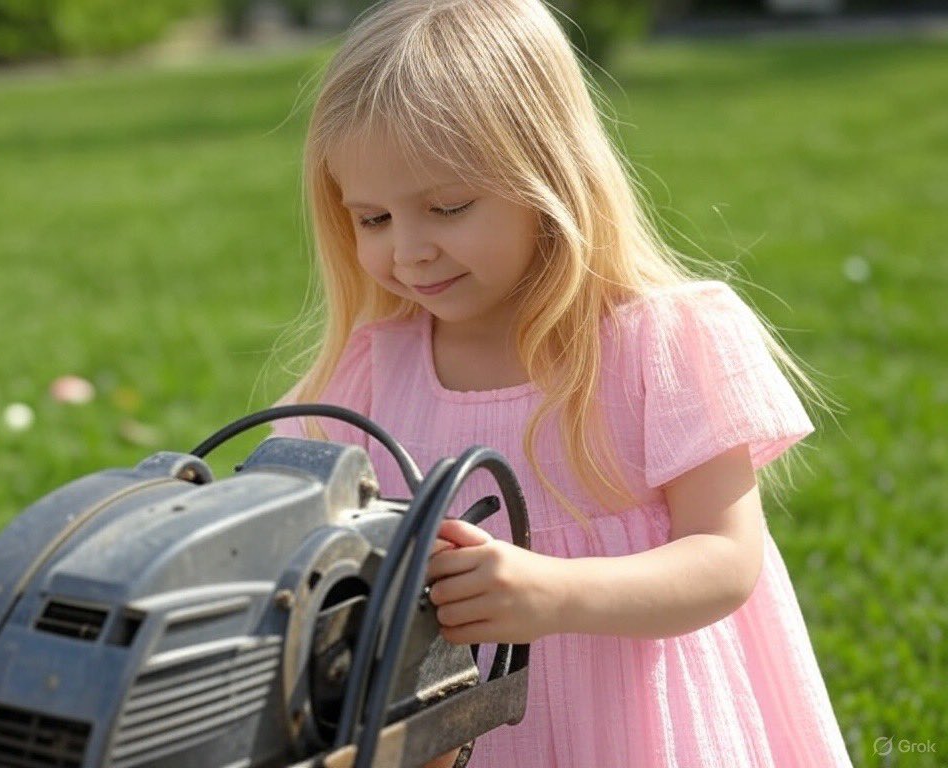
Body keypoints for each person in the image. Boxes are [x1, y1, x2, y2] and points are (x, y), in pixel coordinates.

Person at [266, 0, 853, 765]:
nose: (407, 251)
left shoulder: (659, 343)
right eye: (372, 219)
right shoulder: (372, 375)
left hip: (636, 731)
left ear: (546, 175)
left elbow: (724, 559)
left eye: (446, 208)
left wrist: (553, 594)